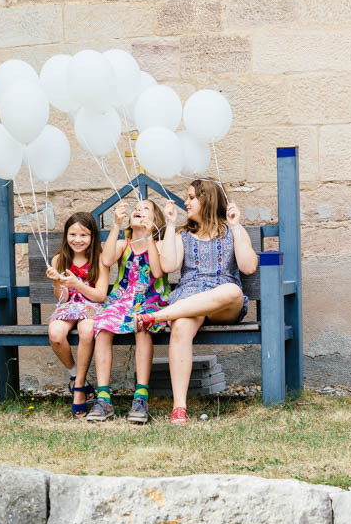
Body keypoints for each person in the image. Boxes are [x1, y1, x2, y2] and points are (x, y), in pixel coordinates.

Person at [141, 179, 259, 425]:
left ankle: (160, 316)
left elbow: (248, 267)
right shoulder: (185, 235)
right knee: (182, 326)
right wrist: (171, 225)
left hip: (224, 303)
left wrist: (236, 226)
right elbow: (168, 266)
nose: (186, 202)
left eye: (191, 197)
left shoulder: (231, 231)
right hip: (190, 297)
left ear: (207, 199)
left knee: (232, 291)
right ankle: (179, 407)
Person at [85, 199, 172, 424]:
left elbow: (156, 270)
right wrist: (115, 225)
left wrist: (150, 236)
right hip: (122, 299)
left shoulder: (159, 245)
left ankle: (141, 395)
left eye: (145, 210)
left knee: (142, 325)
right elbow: (106, 259)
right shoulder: (124, 244)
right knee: (102, 326)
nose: (138, 211)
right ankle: (103, 398)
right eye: (136, 208)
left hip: (151, 299)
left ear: (156, 221)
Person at [45, 212, 108, 417]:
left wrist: (78, 284)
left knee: (87, 329)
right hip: (69, 306)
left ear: (92, 237)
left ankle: (79, 388)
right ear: (66, 235)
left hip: (91, 306)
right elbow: (62, 299)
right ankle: (75, 375)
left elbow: (99, 296)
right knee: (55, 334)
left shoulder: (99, 258)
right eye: (73, 234)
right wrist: (57, 281)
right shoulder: (59, 259)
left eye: (84, 235)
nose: (77, 240)